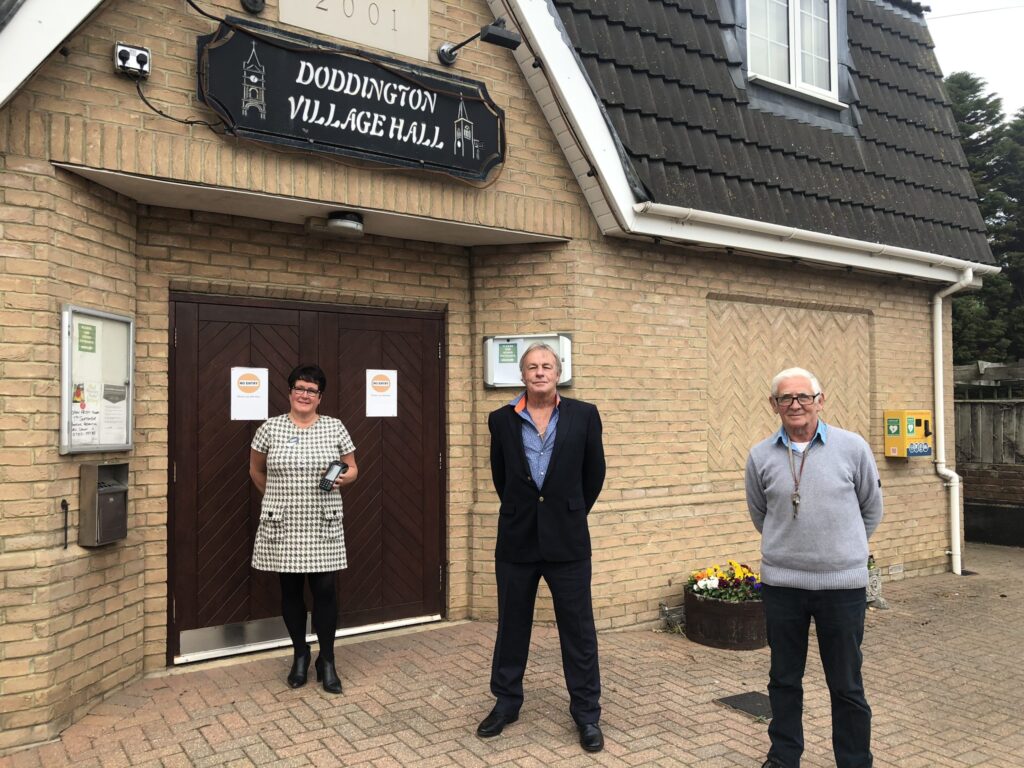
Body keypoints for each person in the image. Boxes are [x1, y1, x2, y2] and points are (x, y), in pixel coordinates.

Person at [745, 367, 883, 768]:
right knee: (784, 680)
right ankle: (784, 756)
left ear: (820, 400)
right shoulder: (760, 455)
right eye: (785, 398)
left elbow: (870, 508)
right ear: (773, 405)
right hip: (783, 587)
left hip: (841, 587)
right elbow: (761, 513)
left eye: (804, 397)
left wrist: (842, 550)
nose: (795, 405)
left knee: (846, 685)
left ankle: (854, 761)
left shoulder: (853, 447)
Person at [477, 342, 607, 752]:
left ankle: (586, 714)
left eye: (546, 366)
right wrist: (526, 512)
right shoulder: (500, 420)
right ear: (522, 375)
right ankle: (506, 702)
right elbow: (502, 478)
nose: (539, 373)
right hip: (517, 541)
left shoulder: (584, 415)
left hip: (567, 541)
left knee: (578, 629)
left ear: (558, 373)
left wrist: (567, 512)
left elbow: (594, 474)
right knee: (512, 625)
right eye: (531, 367)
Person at [249, 364, 358, 694]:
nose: (305, 395)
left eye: (312, 390)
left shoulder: (335, 427)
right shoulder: (270, 428)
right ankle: (300, 653)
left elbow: (353, 468)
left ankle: (327, 659)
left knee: (325, 591)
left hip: (322, 520)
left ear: (319, 396)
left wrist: (344, 477)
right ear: (290, 392)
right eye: (300, 388)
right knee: (291, 591)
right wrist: (276, 500)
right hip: (284, 521)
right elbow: (255, 470)